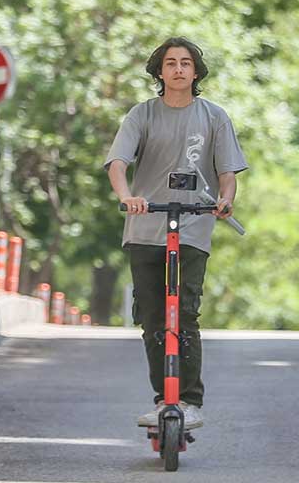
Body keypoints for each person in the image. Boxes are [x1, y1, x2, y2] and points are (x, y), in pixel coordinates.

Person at [104, 37, 248, 431]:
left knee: (184, 313)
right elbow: (118, 162)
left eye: (186, 63)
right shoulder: (142, 114)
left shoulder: (214, 116)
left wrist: (224, 199)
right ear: (159, 71)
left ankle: (190, 401)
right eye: (171, 63)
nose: (179, 69)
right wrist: (127, 196)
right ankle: (161, 398)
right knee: (152, 318)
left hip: (194, 226)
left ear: (196, 71)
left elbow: (227, 172)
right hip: (146, 225)